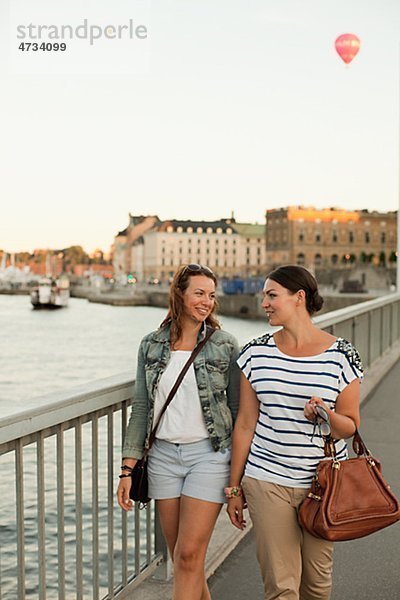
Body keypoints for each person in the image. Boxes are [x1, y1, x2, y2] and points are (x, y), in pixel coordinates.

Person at [226, 265, 363, 600]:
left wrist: (326, 414)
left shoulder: (341, 355)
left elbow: (350, 425)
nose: (265, 304)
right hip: (267, 479)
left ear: (299, 297)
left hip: (324, 483)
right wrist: (233, 487)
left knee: (316, 584)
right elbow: (245, 423)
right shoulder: (255, 353)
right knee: (281, 586)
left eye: (272, 296)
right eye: (264, 297)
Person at [117, 263, 240, 600]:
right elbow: (141, 409)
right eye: (199, 293)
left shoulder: (225, 345)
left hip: (209, 457)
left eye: (211, 295)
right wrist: (127, 470)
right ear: (179, 294)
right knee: (185, 560)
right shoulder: (151, 345)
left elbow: (239, 412)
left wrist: (238, 477)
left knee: (187, 556)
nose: (207, 302)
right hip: (163, 459)